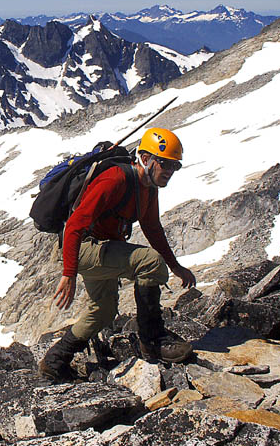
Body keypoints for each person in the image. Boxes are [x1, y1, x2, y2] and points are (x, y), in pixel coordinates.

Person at [39, 127, 196, 383]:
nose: (169, 171)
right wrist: (69, 274)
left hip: (100, 246)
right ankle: (153, 340)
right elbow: (75, 226)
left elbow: (152, 228)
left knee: (103, 310)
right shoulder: (116, 179)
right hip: (83, 247)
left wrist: (176, 266)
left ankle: (55, 361)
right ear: (145, 158)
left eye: (174, 166)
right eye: (164, 163)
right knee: (150, 262)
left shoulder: (149, 188)